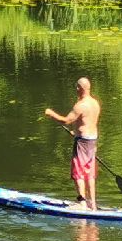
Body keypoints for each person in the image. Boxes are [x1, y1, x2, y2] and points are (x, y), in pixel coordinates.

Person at [45, 77, 101, 210]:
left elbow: (66, 120)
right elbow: (88, 122)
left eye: (77, 87)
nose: (76, 89)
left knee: (78, 173)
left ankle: (82, 202)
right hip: (92, 140)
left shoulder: (80, 105)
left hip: (82, 142)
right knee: (89, 173)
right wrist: (75, 132)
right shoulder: (95, 103)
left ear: (81, 89)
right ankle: (92, 203)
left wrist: (51, 113)